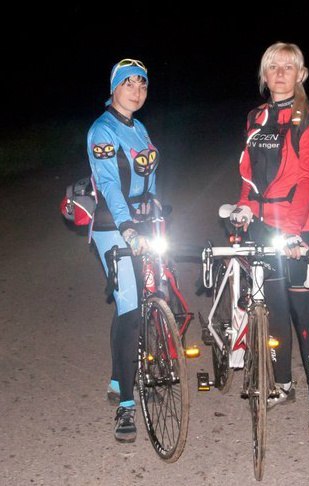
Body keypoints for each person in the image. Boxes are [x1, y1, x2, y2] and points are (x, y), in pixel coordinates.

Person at [230, 42, 309, 437]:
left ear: (300, 74)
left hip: (300, 228)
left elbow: (308, 177)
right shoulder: (255, 118)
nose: (281, 73)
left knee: (304, 314)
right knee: (274, 309)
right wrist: (243, 207)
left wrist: (291, 231)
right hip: (263, 226)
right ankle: (284, 385)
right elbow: (249, 175)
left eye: (289, 67)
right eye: (274, 67)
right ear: (265, 75)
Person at [87, 58, 159, 443]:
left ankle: (119, 377)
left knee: (143, 297)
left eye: (142, 84)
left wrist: (157, 207)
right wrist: (127, 226)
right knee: (130, 307)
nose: (137, 90)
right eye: (128, 83)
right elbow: (110, 184)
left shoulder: (139, 127)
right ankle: (126, 406)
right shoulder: (102, 130)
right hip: (112, 225)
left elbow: (149, 178)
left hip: (142, 221)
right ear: (114, 88)